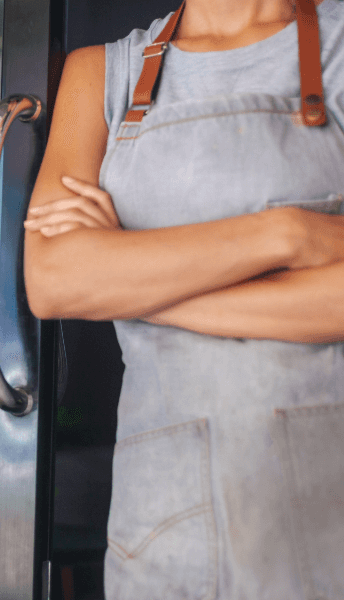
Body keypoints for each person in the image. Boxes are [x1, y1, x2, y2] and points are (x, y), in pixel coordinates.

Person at [23, 0, 344, 598]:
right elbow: (53, 279)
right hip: (163, 532)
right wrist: (286, 235)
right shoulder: (100, 74)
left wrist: (127, 284)